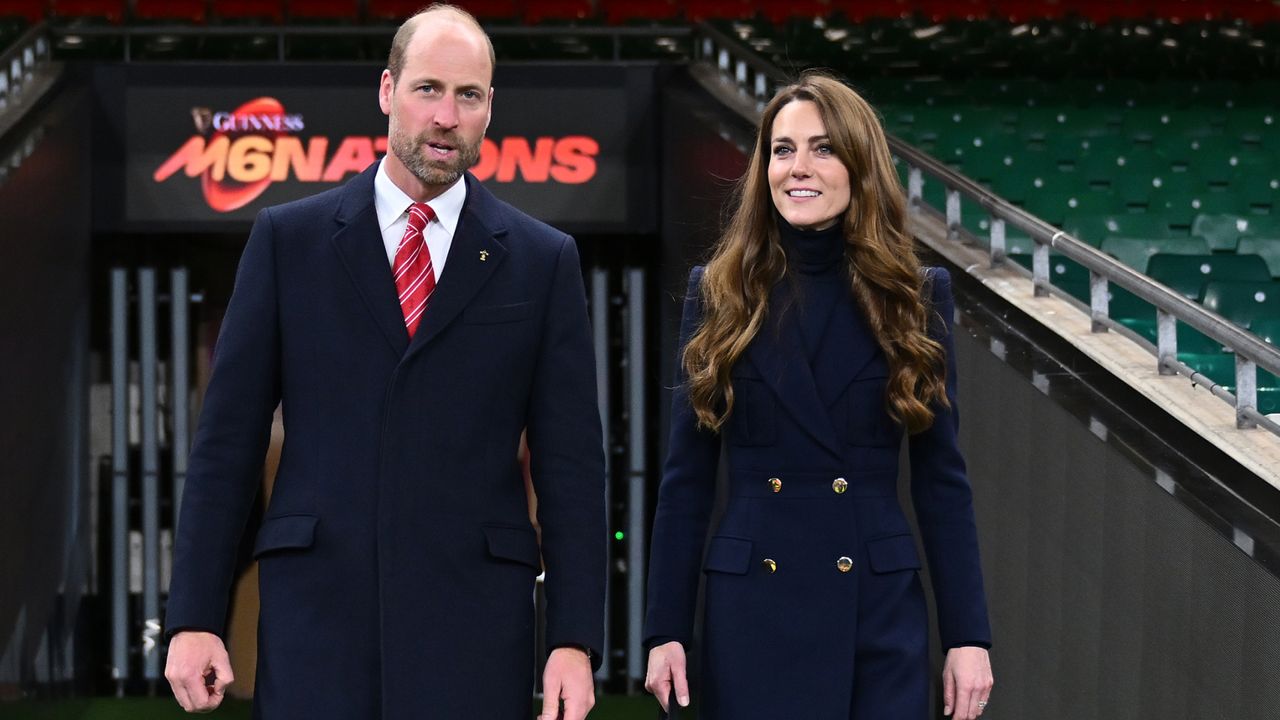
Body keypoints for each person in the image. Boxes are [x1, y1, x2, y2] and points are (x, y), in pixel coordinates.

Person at [162, 5, 605, 719]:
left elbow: (573, 467)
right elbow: (227, 445)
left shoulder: (542, 262)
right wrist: (195, 615)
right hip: (319, 624)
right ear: (386, 91)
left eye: (468, 96)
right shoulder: (287, 243)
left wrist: (574, 639)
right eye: (428, 89)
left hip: (476, 628)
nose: (446, 116)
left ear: (490, 108)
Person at [643, 72, 993, 720]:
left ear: (860, 165)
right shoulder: (718, 294)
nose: (797, 167)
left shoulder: (917, 297)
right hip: (750, 610)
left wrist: (968, 635)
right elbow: (685, 479)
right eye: (782, 149)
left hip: (876, 615)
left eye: (823, 148)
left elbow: (942, 479)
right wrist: (664, 627)